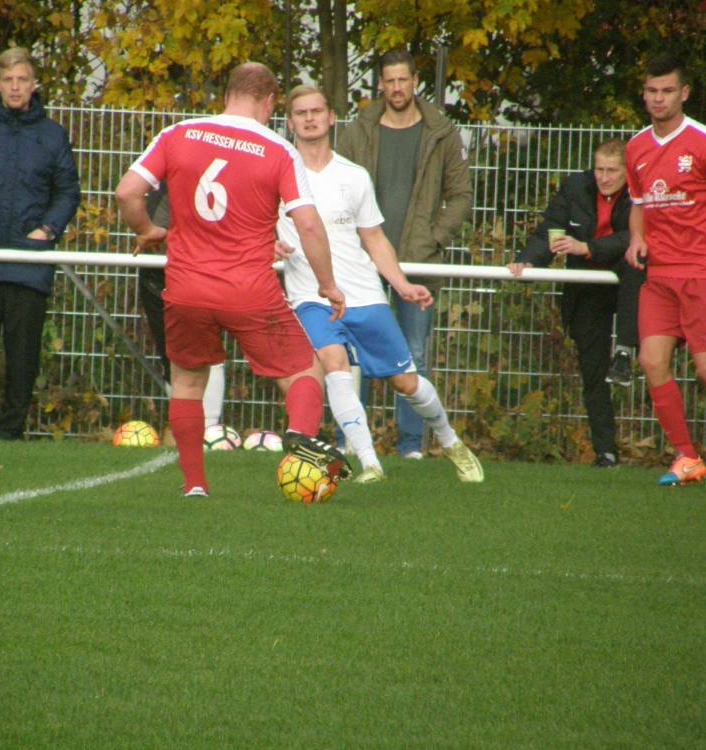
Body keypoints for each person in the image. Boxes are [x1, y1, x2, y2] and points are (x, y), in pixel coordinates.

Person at [115, 62, 350, 498]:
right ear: (270, 102)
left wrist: (146, 230)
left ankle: (194, 485)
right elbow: (308, 224)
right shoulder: (279, 150)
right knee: (305, 372)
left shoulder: (178, 133)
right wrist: (328, 285)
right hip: (249, 291)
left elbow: (126, 192)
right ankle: (300, 439)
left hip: (186, 288)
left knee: (187, 383)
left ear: (227, 95)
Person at [276, 85, 483, 484]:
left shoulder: (353, 176)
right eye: (301, 113)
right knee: (333, 363)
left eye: (317, 111)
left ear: (331, 117)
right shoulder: (278, 173)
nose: (309, 118)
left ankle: (451, 441)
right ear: (289, 122)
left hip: (363, 294)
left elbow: (373, 238)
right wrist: (269, 241)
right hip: (312, 296)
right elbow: (256, 221)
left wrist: (402, 285)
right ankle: (370, 464)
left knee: (406, 382)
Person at [336, 47, 472, 459]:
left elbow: (461, 195)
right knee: (351, 354)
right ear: (380, 84)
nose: (396, 88)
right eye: (389, 80)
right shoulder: (359, 130)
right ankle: (349, 442)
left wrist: (434, 238)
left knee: (412, 355)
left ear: (415, 82)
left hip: (416, 262)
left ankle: (411, 447)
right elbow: (337, 186)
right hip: (361, 260)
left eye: (403, 80)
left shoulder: (440, 131)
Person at [0, 47, 81, 440]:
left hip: (30, 261)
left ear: (34, 84)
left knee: (22, 357)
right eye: (8, 80)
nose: (16, 87)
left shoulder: (52, 135)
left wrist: (48, 230)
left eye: (22, 79)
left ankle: (9, 434)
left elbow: (67, 192)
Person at [507, 139, 642, 468]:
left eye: (612, 171)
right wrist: (527, 261)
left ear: (626, 171)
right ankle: (606, 453)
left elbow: (638, 237)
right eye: (599, 169)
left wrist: (588, 248)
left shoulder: (641, 191)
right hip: (587, 285)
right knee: (593, 371)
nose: (604, 178)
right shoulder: (574, 187)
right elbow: (550, 232)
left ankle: (625, 350)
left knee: (635, 261)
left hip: (629, 282)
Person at [624, 54, 706, 486]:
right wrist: (637, 238)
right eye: (652, 91)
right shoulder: (636, 147)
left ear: (684, 93)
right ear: (644, 94)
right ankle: (687, 457)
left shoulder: (701, 140)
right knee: (651, 360)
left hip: (700, 272)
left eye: (668, 90)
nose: (659, 98)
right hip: (658, 277)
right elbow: (638, 205)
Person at [139, 183, 226, 423]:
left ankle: (205, 429)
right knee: (183, 356)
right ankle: (195, 431)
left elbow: (126, 193)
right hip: (165, 267)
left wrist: (143, 230)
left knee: (194, 354)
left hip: (191, 266)